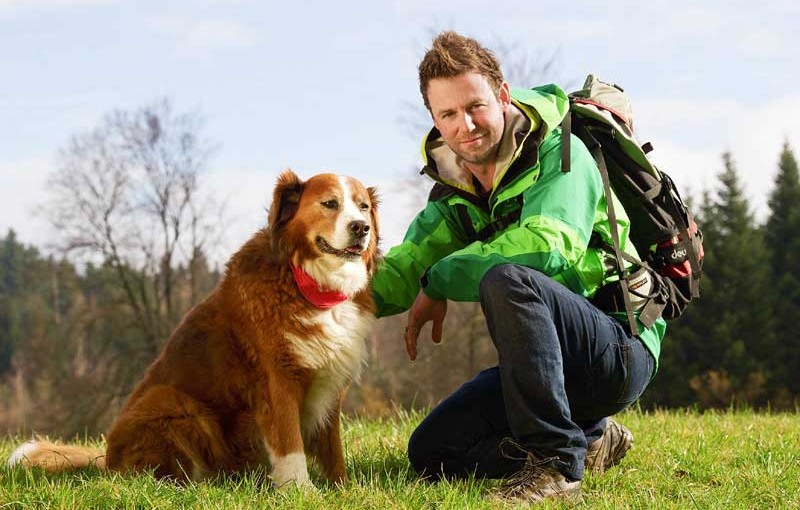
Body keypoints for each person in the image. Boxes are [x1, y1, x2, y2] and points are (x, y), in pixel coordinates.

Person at [371, 31, 665, 504]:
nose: (465, 125)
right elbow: (409, 263)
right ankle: (591, 439)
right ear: (434, 120)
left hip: (617, 343)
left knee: (508, 278)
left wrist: (440, 279)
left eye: (475, 106)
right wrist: (326, 296)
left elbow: (549, 247)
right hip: (545, 370)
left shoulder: (561, 151)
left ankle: (556, 465)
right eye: (448, 114)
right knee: (433, 452)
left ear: (503, 95)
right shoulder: (456, 187)